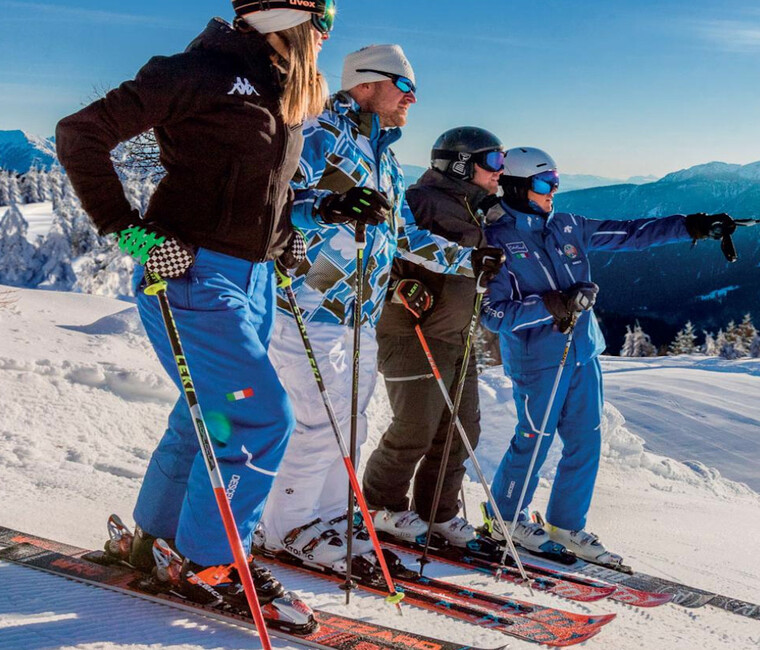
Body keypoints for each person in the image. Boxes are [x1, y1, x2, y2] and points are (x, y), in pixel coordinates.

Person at [54, 0, 335, 613]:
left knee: (208, 416)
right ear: (297, 17)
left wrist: (282, 246)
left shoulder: (274, 86)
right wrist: (133, 236)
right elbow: (79, 135)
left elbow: (263, 192)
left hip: (252, 280)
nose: (327, 35)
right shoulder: (200, 71)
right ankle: (212, 564)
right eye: (326, 18)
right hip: (195, 277)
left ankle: (157, 540)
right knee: (261, 420)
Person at [256, 45, 479, 572]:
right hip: (306, 303)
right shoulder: (318, 132)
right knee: (319, 421)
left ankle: (332, 517)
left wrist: (470, 261)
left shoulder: (383, 154)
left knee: (348, 422)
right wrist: (327, 206)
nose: (413, 99)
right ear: (366, 84)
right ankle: (286, 528)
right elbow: (272, 201)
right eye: (405, 88)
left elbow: (404, 234)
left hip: (359, 314)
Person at [481, 147, 735, 564]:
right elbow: (494, 315)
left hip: (583, 352)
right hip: (538, 359)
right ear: (516, 186)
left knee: (585, 441)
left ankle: (565, 525)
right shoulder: (497, 240)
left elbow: (631, 233)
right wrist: (552, 305)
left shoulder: (566, 226)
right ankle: (504, 518)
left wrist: (691, 226)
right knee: (534, 440)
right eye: (545, 184)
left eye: (557, 181)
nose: (554, 191)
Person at [362, 127, 506, 546]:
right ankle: (379, 506)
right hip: (412, 333)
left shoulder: (473, 206)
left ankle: (437, 513)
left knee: (462, 430)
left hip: (456, 336)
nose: (500, 170)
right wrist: (394, 288)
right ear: (461, 163)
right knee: (414, 429)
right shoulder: (419, 202)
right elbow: (383, 249)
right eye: (493, 161)